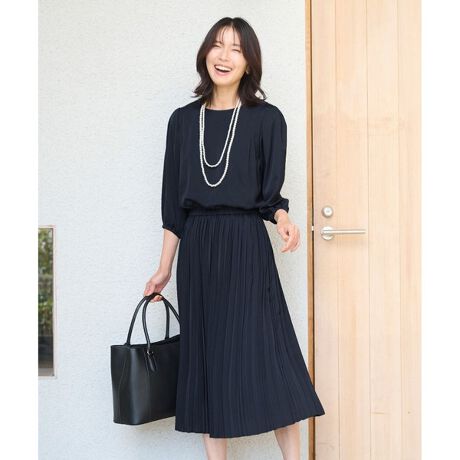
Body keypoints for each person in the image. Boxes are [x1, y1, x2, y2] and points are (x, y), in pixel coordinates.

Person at [144, 16, 325, 460]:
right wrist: (164, 268)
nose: (224, 56)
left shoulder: (267, 119)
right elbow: (173, 208)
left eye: (237, 49)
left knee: (270, 358)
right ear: (205, 52)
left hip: (246, 247)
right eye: (218, 45)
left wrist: (282, 218)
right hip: (199, 251)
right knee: (209, 364)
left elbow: (270, 196)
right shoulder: (182, 122)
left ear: (249, 63)